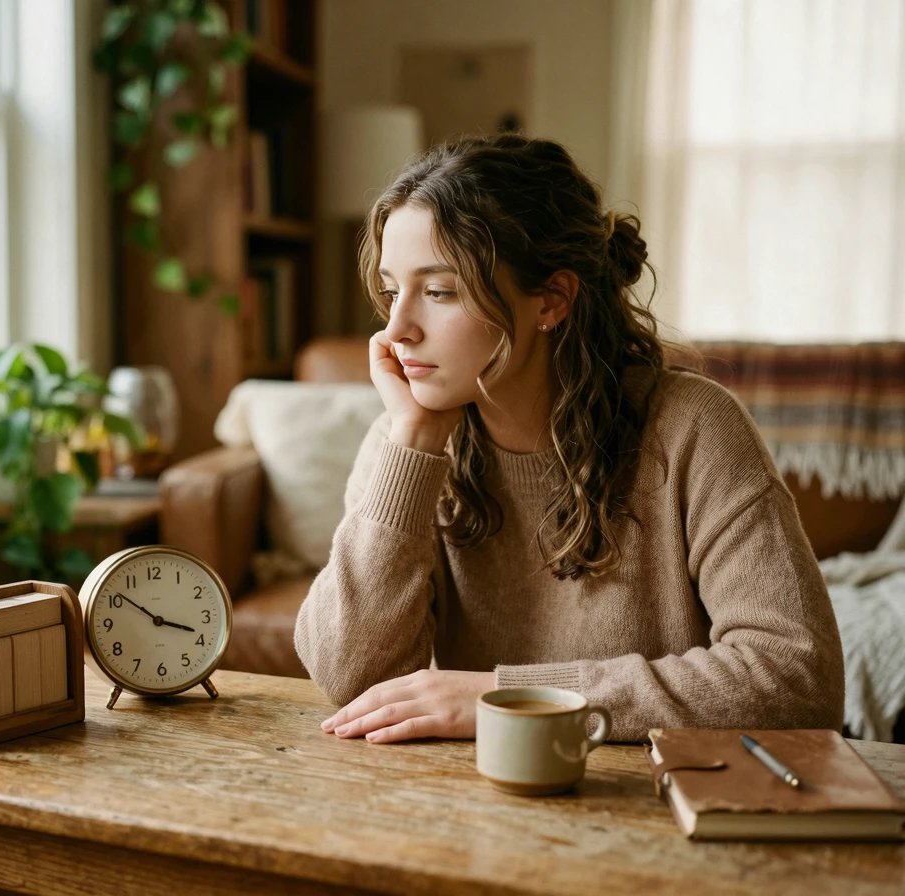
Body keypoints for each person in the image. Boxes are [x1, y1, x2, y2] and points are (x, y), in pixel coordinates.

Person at [295, 133, 844, 745]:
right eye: (393, 290)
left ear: (551, 301)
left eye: (440, 291)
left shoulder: (695, 426)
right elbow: (347, 675)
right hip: (472, 805)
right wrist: (413, 448)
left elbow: (798, 677)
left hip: (653, 807)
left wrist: (513, 698)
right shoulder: (406, 443)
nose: (397, 329)